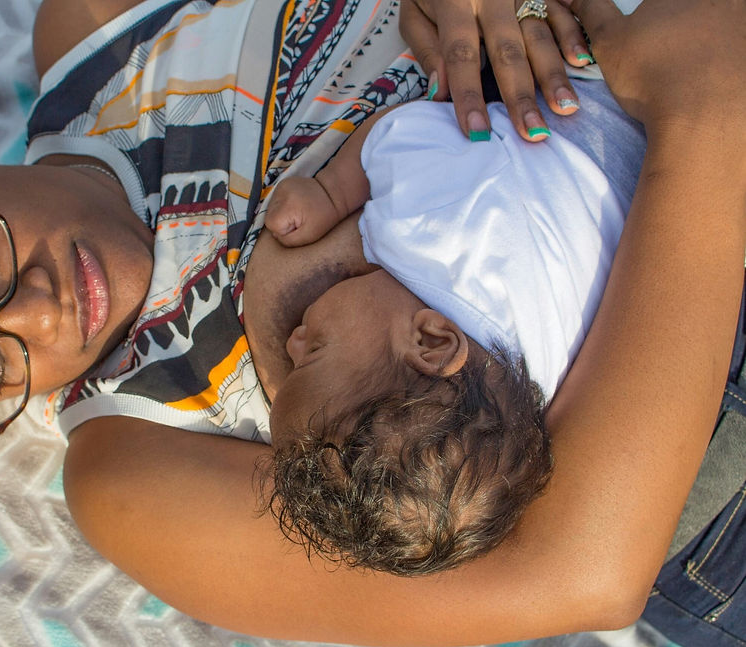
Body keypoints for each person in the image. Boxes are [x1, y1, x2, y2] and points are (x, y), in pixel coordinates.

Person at [0, 0, 742, 647]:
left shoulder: (104, 29)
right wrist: (706, 116)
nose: (34, 313)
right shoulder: (130, 463)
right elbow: (576, 570)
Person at [256, 86, 637, 574]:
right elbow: (401, 129)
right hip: (590, 91)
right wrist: (331, 192)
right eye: (312, 354)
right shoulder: (426, 228)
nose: (293, 340)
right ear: (432, 341)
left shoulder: (550, 374)